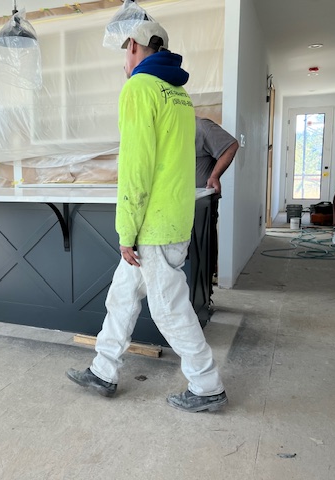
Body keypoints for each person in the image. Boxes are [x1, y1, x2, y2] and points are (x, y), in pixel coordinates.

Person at [66, 23, 227, 413]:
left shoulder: (139, 88)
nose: (125, 61)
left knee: (170, 310)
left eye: (125, 52)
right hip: (173, 217)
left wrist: (127, 231)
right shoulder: (179, 94)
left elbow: (136, 168)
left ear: (134, 47)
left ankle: (207, 386)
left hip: (152, 226)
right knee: (122, 295)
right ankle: (103, 370)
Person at [195, 116, 239, 292]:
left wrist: (214, 176)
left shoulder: (201, 126)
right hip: (176, 204)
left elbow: (231, 145)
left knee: (204, 249)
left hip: (202, 203)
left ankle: (204, 296)